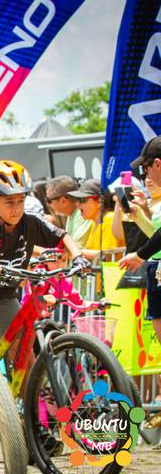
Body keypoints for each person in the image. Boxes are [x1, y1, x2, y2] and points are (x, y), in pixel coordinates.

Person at [0, 161, 88, 379]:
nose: (17, 208)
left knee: (25, 361)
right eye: (10, 202)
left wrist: (78, 257)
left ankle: (23, 401)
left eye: (21, 200)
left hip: (4, 292)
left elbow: (63, 236)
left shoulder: (30, 223)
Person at [119, 136, 161, 361]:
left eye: (145, 168)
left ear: (158, 164)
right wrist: (139, 217)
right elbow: (157, 236)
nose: (145, 176)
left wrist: (140, 255)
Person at [68, 179, 124, 261]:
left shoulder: (109, 219)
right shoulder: (94, 223)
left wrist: (74, 251)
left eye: (82, 200)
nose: (77, 204)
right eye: (77, 200)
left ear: (99, 201)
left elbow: (107, 256)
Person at [45, 175, 92, 247]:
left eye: (48, 200)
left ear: (63, 201)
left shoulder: (82, 214)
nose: (48, 204)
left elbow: (76, 248)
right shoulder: (72, 214)